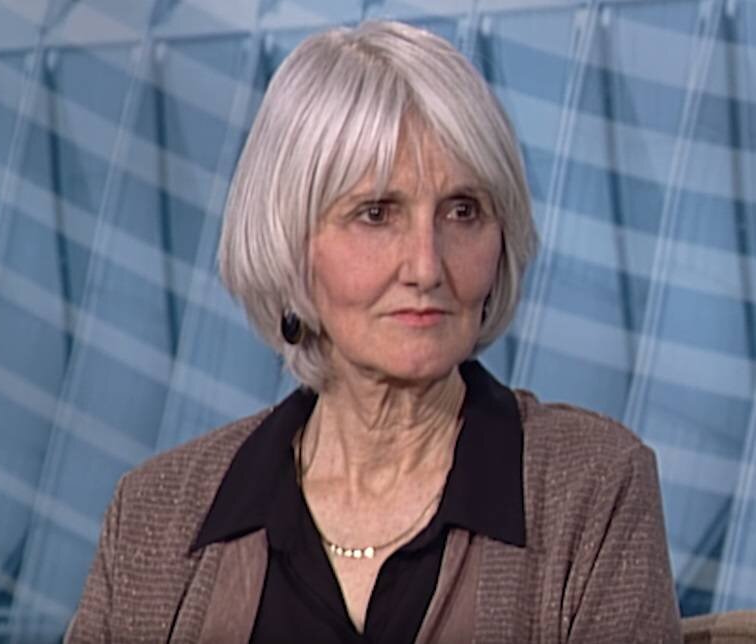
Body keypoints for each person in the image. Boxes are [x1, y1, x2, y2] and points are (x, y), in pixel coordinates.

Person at [68, 20, 682, 642]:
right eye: (377, 213)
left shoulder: (592, 488)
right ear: (290, 243)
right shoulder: (154, 516)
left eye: (463, 211)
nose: (426, 266)